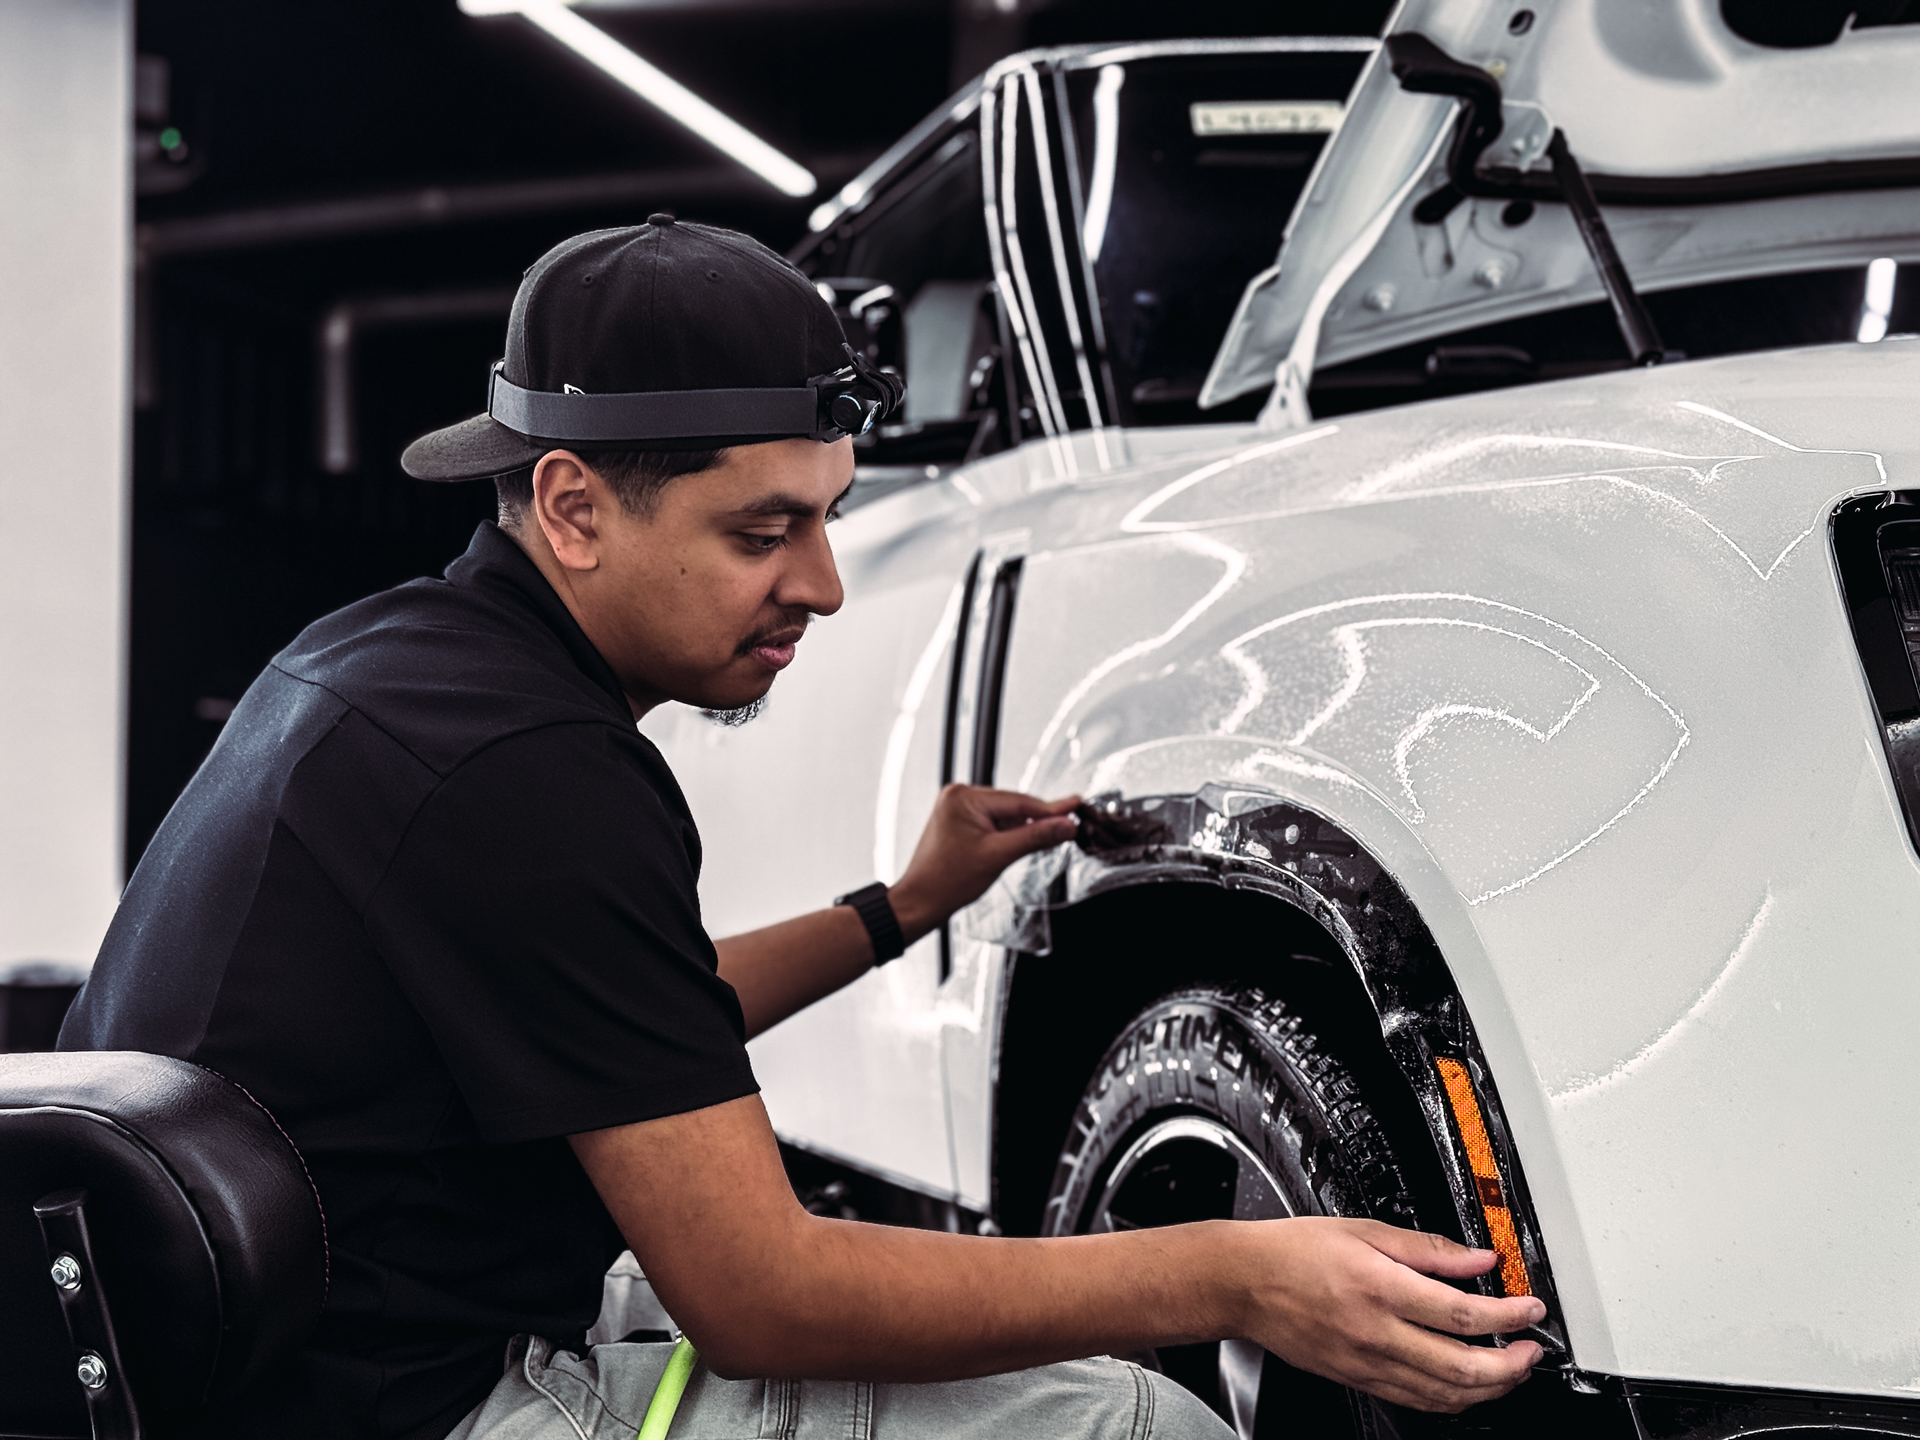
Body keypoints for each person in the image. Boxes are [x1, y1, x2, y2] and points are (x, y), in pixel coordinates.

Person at [61, 217, 1543, 1440]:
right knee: (1129, 1424)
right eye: (763, 532)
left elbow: (630, 1019)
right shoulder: (527, 768)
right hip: (412, 1408)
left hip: (282, 1371)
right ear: (572, 508)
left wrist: (904, 904)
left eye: (829, 518)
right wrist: (1231, 1274)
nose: (824, 586)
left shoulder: (393, 668)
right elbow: (761, 1298)